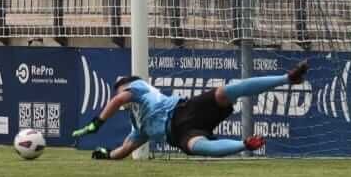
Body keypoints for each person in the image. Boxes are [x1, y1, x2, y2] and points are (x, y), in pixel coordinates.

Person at [72, 60, 310, 160]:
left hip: (184, 110)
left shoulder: (138, 87)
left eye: (119, 89)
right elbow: (125, 149)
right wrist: (106, 154)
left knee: (225, 92)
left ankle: (287, 78)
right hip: (178, 134)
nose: (118, 94)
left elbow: (115, 101)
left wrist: (96, 123)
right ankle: (244, 145)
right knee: (199, 146)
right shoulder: (138, 125)